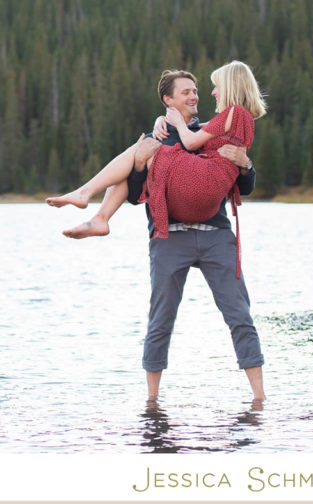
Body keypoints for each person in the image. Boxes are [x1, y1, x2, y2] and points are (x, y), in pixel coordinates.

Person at [48, 62, 266, 403]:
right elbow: (137, 193)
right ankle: (151, 401)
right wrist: (139, 162)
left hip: (215, 234)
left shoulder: (211, 132)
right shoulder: (161, 136)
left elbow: (245, 185)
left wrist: (246, 162)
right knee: (161, 319)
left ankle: (259, 398)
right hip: (170, 237)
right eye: (187, 92)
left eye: (197, 91)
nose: (197, 96)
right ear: (168, 100)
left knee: (239, 314)